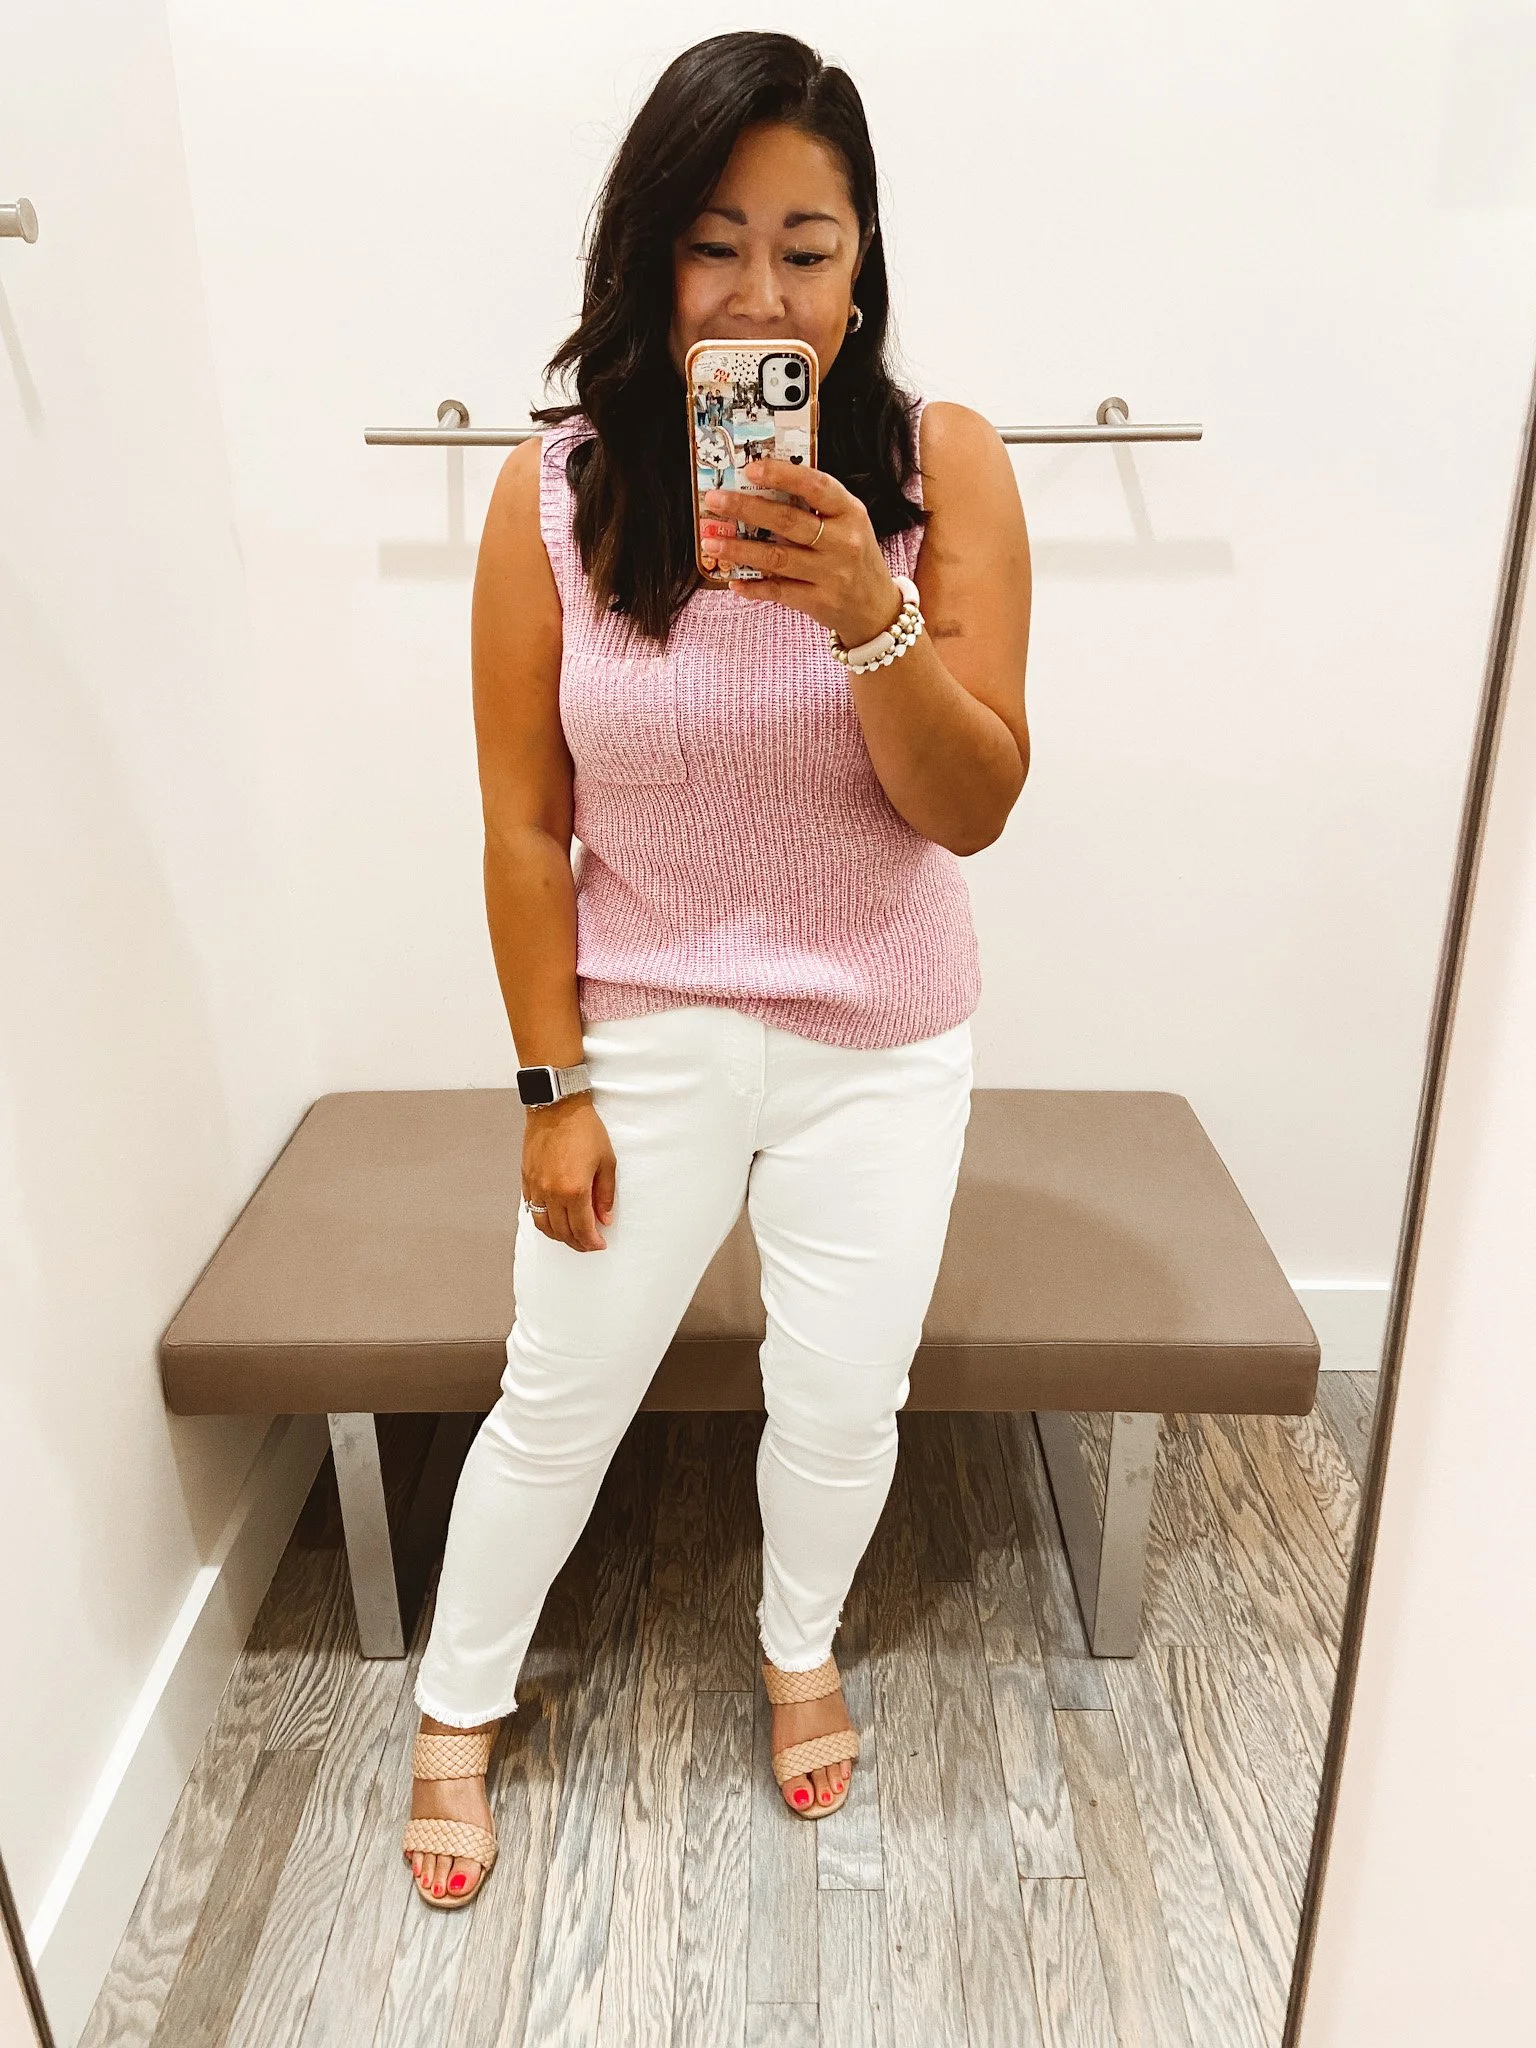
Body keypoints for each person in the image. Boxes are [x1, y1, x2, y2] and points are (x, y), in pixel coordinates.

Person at [401, 28, 1031, 1909]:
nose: (762, 294)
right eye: (714, 243)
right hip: (644, 1026)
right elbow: (525, 826)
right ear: (647, 255)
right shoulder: (556, 492)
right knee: (559, 1394)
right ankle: (455, 1702)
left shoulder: (942, 468)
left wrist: (871, 614)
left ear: (862, 264)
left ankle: (800, 1648)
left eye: (807, 248)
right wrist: (550, 1089)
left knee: (843, 1401)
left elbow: (973, 805)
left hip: (880, 1031)